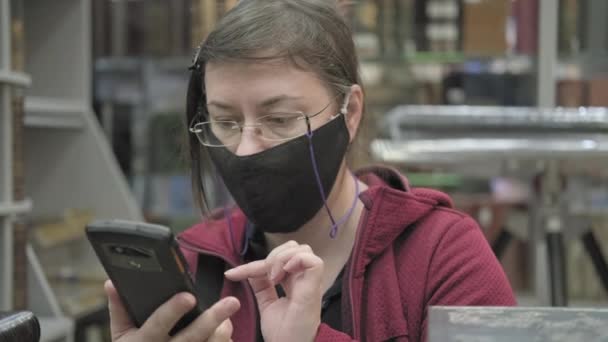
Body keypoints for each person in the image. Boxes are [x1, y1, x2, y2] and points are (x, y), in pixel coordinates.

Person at [103, 1, 516, 341]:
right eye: (226, 123)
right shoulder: (194, 266)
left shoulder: (441, 256)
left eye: (280, 119)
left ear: (349, 112)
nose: (246, 149)